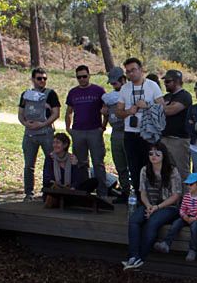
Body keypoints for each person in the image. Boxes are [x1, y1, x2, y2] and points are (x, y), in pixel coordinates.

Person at [123, 143, 181, 270]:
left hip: (168, 206)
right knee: (134, 220)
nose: (153, 156)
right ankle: (133, 256)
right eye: (151, 154)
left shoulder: (172, 170)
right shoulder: (145, 169)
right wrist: (149, 206)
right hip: (149, 205)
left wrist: (157, 208)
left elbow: (176, 196)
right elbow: (142, 192)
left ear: (163, 155)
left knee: (152, 223)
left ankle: (140, 258)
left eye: (157, 154)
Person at [115, 57, 164, 194]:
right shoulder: (125, 88)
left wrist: (147, 106)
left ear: (141, 70)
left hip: (148, 132)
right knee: (134, 167)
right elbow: (118, 112)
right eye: (128, 71)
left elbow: (162, 108)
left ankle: (153, 197)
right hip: (130, 133)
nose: (131, 74)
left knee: (149, 165)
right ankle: (137, 196)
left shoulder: (152, 85)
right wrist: (128, 111)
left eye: (133, 70)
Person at [18, 67, 61, 201]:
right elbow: (20, 113)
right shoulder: (26, 94)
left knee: (51, 162)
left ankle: (49, 192)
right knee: (29, 165)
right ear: (33, 79)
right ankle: (28, 193)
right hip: (29, 135)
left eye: (44, 78)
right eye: (39, 78)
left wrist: (42, 124)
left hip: (46, 134)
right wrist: (26, 124)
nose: (42, 81)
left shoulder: (51, 94)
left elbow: (56, 113)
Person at [65, 64, 106, 198]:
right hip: (78, 131)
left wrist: (103, 126)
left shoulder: (98, 91)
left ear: (89, 75)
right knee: (81, 163)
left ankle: (102, 193)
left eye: (84, 76)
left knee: (98, 163)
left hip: (95, 130)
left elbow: (106, 110)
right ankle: (83, 192)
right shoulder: (73, 92)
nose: (82, 79)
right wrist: (68, 128)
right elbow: (69, 111)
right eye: (79, 77)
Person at [156, 172, 197, 261]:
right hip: (187, 217)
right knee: (176, 223)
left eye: (191, 184)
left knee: (195, 227)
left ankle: (193, 250)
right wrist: (184, 216)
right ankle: (166, 243)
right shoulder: (186, 196)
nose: (188, 186)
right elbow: (182, 209)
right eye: (187, 184)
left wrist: (195, 218)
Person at [43, 132, 99, 207]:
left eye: (58, 143)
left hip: (70, 189)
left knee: (93, 181)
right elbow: (47, 178)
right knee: (50, 186)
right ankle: (67, 200)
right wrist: (58, 186)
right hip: (56, 189)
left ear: (65, 145)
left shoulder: (72, 158)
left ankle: (67, 200)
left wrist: (75, 166)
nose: (55, 145)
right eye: (54, 143)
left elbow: (78, 179)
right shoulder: (50, 158)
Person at [101, 67, 131, 201]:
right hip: (116, 132)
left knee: (132, 164)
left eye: (115, 83)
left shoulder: (131, 92)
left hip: (129, 132)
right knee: (120, 164)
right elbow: (106, 113)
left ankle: (136, 191)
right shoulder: (110, 97)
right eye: (112, 84)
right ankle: (125, 191)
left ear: (123, 80)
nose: (113, 86)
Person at [160, 69, 193, 180]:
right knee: (167, 172)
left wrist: (162, 107)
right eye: (165, 81)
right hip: (164, 138)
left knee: (182, 172)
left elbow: (170, 111)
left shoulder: (185, 96)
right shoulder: (167, 96)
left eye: (168, 81)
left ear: (177, 81)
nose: (165, 84)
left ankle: (186, 197)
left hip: (179, 140)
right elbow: (159, 110)